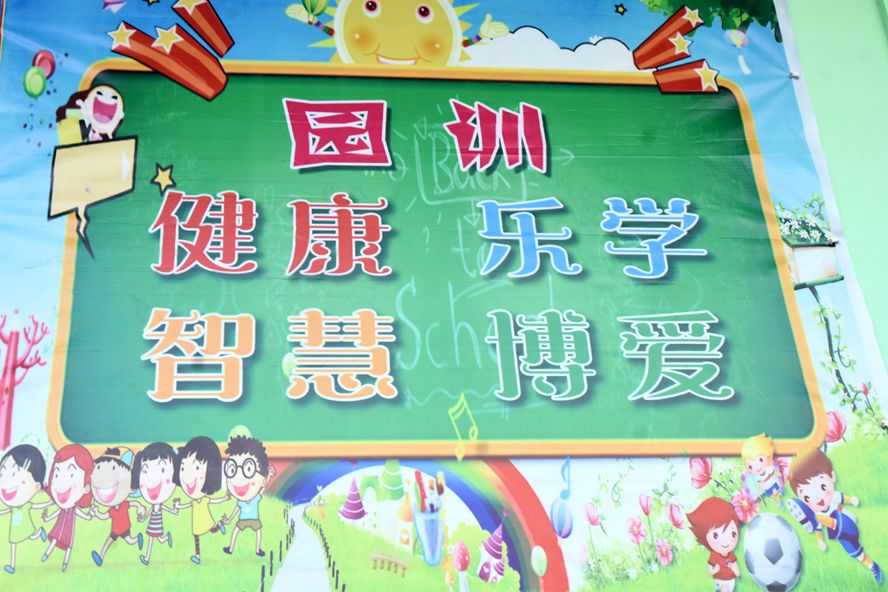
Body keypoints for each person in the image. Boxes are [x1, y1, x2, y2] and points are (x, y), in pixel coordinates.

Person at [789, 447, 882, 584]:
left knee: (828, 520)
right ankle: (873, 566)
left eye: (822, 487)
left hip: (846, 521)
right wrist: (820, 541)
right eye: (807, 497)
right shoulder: (818, 513)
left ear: (832, 476)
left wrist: (852, 500)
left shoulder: (833, 498)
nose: (817, 498)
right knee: (857, 554)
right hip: (840, 535)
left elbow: (843, 498)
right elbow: (818, 530)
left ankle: (824, 521)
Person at [173, 436, 228, 564]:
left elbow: (214, 501)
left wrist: (225, 498)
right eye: (183, 468)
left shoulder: (204, 499)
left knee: (212, 529)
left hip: (205, 519)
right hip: (197, 522)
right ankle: (197, 556)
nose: (187, 478)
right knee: (196, 536)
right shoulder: (194, 501)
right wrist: (178, 506)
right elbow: (186, 505)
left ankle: (220, 524)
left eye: (197, 468)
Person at [41, 444, 94, 572]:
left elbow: (85, 516)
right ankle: (46, 554)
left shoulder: (74, 509)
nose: (61, 484)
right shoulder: (62, 508)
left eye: (71, 475)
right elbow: (54, 515)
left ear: (86, 487)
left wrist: (91, 514)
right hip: (59, 527)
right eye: (57, 475)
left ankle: (65, 563)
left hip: (69, 530)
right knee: (54, 539)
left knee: (69, 546)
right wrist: (46, 517)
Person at [221, 434, 275, 557]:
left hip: (254, 519)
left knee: (258, 532)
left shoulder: (255, 498)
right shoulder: (241, 501)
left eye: (248, 469)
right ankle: (230, 548)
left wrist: (269, 476)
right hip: (243, 520)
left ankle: (258, 549)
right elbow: (235, 510)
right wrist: (229, 520)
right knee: (236, 531)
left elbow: (263, 488)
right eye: (232, 470)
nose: (239, 479)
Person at [89, 447, 143, 566]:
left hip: (124, 528)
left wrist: (140, 507)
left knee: (130, 541)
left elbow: (134, 503)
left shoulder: (124, 504)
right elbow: (104, 516)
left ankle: (137, 538)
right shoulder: (112, 509)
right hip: (115, 530)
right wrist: (96, 513)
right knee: (109, 542)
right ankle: (100, 558)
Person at [0, 444, 50, 574]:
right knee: (13, 543)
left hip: (26, 525)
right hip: (15, 529)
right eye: (2, 474)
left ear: (37, 486)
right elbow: (6, 511)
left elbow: (36, 506)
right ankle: (12, 565)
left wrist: (49, 504)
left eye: (14, 473)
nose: (6, 482)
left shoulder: (25, 505)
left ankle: (40, 531)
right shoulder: (13, 507)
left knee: (31, 536)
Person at [132, 442, 179, 566]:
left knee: (153, 538)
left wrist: (174, 510)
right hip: (153, 524)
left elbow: (165, 509)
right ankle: (164, 539)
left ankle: (147, 557)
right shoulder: (154, 505)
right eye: (145, 470)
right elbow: (149, 513)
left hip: (156, 525)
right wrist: (143, 518)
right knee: (157, 538)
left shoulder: (159, 505)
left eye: (162, 469)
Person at [686, 496, 741, 592]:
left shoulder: (731, 554)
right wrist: (715, 570)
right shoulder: (714, 555)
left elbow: (737, 572)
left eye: (733, 534)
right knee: (723, 589)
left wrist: (734, 569)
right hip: (720, 581)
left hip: (731, 581)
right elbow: (710, 571)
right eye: (715, 535)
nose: (725, 541)